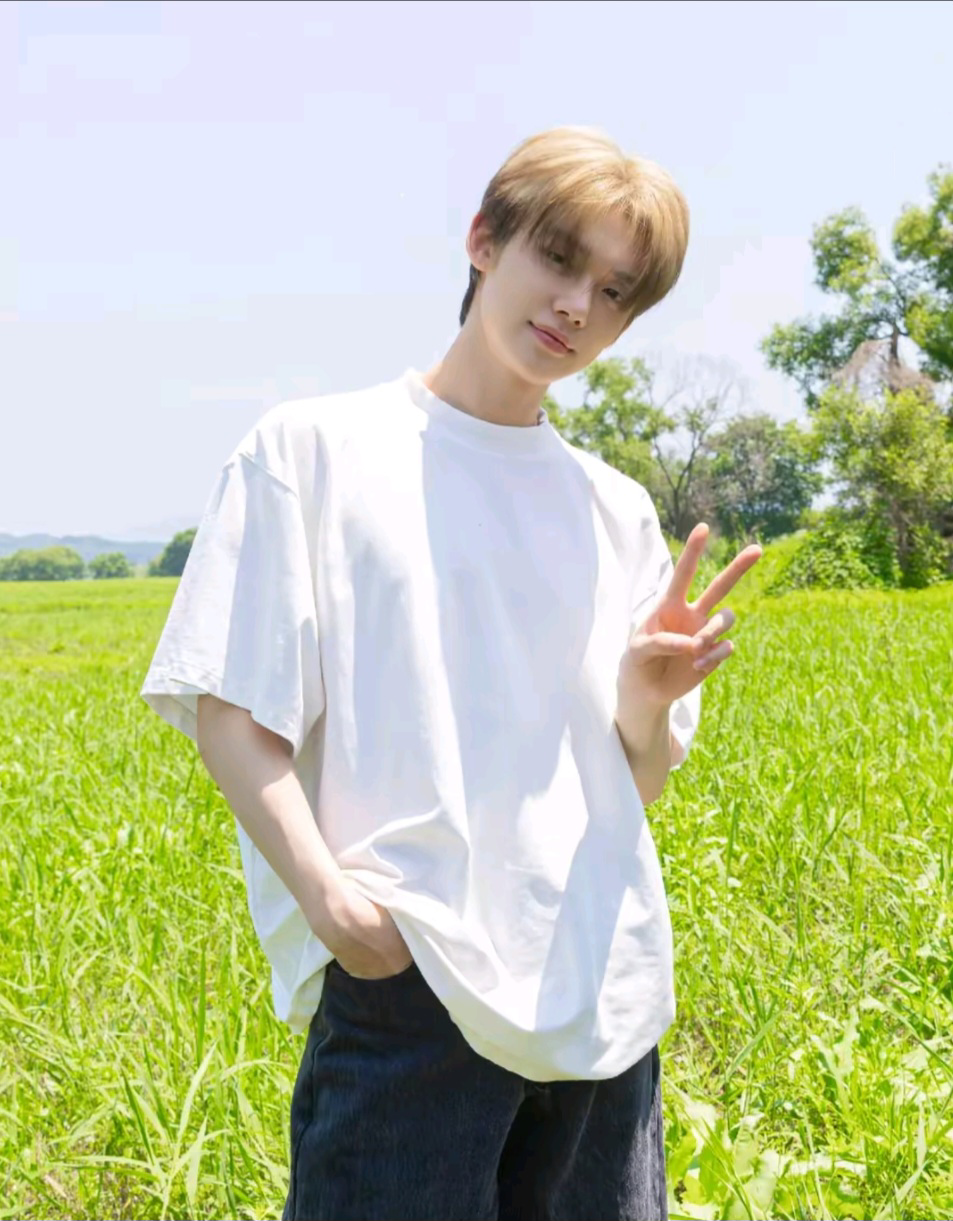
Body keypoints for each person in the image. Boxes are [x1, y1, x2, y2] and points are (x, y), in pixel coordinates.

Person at [140, 125, 762, 1220]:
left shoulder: (613, 510)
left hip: (600, 991)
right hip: (409, 986)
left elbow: (635, 784)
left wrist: (644, 702)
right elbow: (233, 710)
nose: (576, 306)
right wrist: (339, 912)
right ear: (483, 240)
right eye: (558, 259)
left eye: (614, 293)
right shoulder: (314, 451)